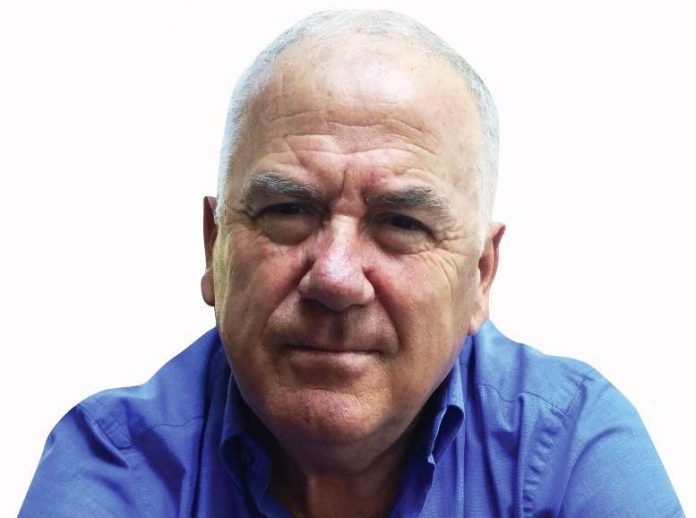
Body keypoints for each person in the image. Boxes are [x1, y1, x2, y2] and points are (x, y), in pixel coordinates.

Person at [20, 10, 683, 518]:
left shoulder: (569, 449)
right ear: (213, 248)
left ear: (480, 275)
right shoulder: (113, 464)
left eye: (401, 223)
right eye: (287, 210)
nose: (334, 278)